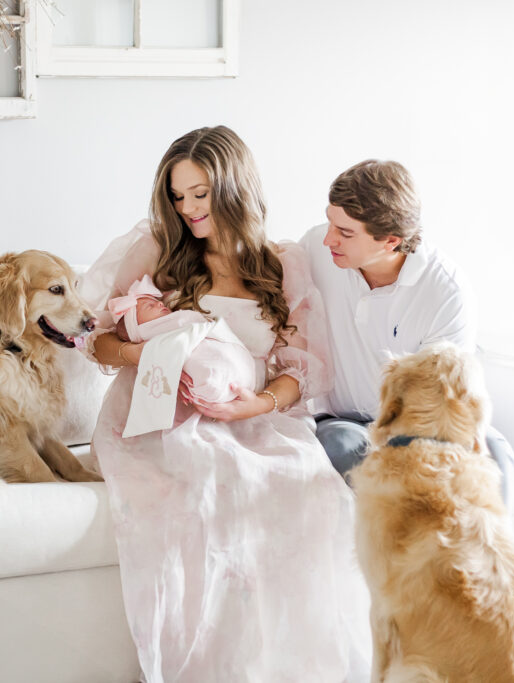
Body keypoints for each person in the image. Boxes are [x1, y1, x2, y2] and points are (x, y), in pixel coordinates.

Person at [79, 126, 371, 682]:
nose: (187, 209)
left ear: (234, 188)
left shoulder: (281, 263)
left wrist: (255, 405)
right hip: (159, 418)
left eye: (200, 194)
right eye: (177, 195)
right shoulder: (159, 253)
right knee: (209, 484)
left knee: (305, 491)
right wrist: (147, 354)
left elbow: (297, 370)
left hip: (251, 417)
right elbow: (97, 340)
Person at [300, 159, 514, 502]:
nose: (329, 239)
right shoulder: (315, 249)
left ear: (390, 241)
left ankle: (472, 554)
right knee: (339, 447)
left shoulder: (446, 291)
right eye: (330, 222)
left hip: (425, 426)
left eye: (345, 232)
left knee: (494, 464)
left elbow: (441, 403)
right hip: (342, 421)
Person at [109, 274, 258, 410]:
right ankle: (215, 382)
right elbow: (187, 321)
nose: (160, 304)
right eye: (150, 306)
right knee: (207, 363)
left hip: (234, 387)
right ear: (138, 328)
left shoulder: (164, 323)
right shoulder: (152, 332)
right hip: (206, 374)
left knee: (217, 358)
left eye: (157, 302)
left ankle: (217, 384)